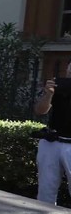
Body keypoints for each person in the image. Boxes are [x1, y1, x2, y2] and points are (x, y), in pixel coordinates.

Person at [33, 62, 71, 205]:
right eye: (69, 73)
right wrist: (48, 94)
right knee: (46, 191)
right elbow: (40, 110)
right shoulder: (58, 88)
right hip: (52, 142)